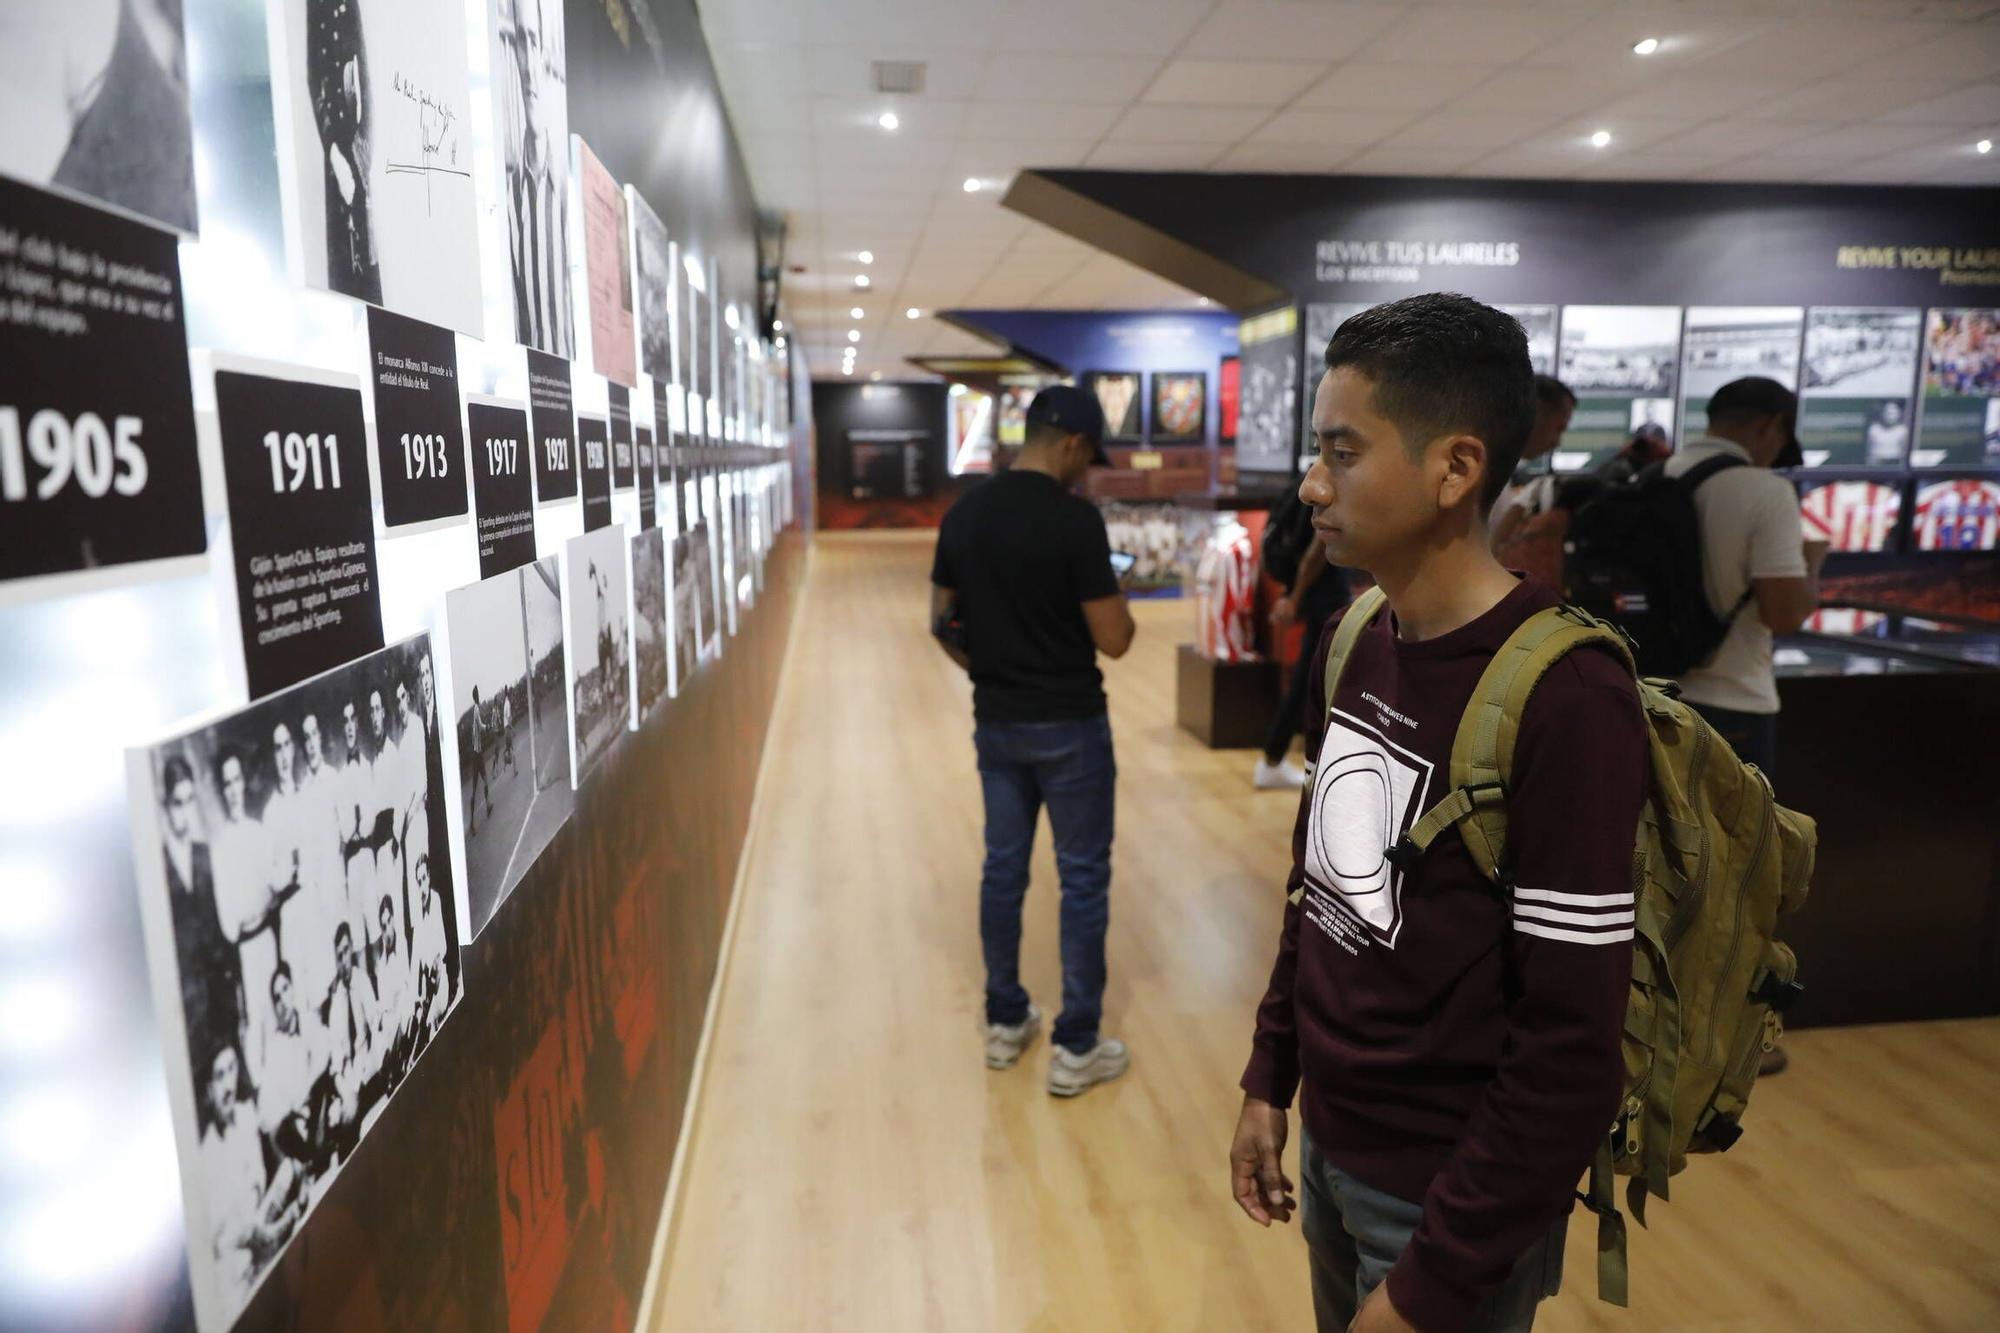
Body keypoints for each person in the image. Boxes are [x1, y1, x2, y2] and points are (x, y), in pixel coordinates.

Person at [1230, 294, 1649, 1333]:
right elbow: (1320, 887)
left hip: (1441, 1199)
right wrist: (1267, 1076)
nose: (1311, 484)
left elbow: (1570, 1047)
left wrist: (1434, 1278)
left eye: (1341, 451)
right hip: (1332, 1146)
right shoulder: (1358, 631)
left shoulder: (1568, 696)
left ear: (1453, 468)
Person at [929, 384, 1135, 1097]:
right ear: (1072, 444)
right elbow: (1117, 640)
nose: (1089, 470)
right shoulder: (1076, 523)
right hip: (1072, 724)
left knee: (1002, 869)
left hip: (999, 723)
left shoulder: (964, 513)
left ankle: (1004, 1019)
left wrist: (992, 670)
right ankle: (1077, 1044)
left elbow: (941, 621)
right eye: (1090, 456)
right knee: (1082, 879)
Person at [160, 753, 244, 1075]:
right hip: (190, 1008)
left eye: (190, 801)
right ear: (167, 806)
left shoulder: (205, 856)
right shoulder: (162, 867)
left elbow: (222, 931)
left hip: (220, 999)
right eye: (178, 803)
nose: (185, 812)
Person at [1254, 527, 1351, 789]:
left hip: (1320, 593)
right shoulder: (1324, 490)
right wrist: (1294, 596)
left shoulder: (1299, 490)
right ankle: (1274, 759)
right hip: (1327, 596)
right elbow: (1317, 548)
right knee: (1312, 679)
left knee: (1314, 678)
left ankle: (1276, 758)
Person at [1487, 374, 1576, 551]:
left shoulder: (1497, 472)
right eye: (1558, 429)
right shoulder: (1482, 473)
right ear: (1536, 412)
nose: (1556, 443)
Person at [467, 684, 494, 834]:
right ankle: (471, 823)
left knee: (481, 783)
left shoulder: (474, 711)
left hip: (476, 753)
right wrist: (488, 726)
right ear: (476, 696)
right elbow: (480, 725)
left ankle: (488, 806)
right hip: (477, 755)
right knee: (479, 785)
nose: (479, 695)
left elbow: (476, 729)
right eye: (477, 693)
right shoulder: (476, 709)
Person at [1865, 398, 1908, 465]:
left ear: (1899, 414)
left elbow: (1905, 452)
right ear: (1882, 413)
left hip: (1895, 466)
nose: (1890, 416)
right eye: (1888, 413)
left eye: (1893, 413)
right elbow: (1868, 450)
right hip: (1876, 465)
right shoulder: (1874, 429)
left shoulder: (1902, 430)